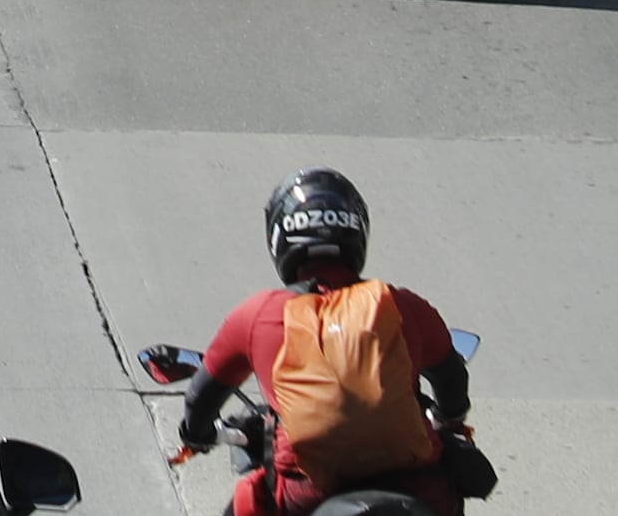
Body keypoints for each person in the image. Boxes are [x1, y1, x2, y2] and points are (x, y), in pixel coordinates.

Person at [173, 168, 475, 515]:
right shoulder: (403, 305)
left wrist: (196, 434)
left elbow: (200, 399)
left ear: (279, 238)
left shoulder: (256, 314)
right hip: (419, 485)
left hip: (308, 495)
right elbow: (452, 381)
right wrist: (448, 419)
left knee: (249, 499)